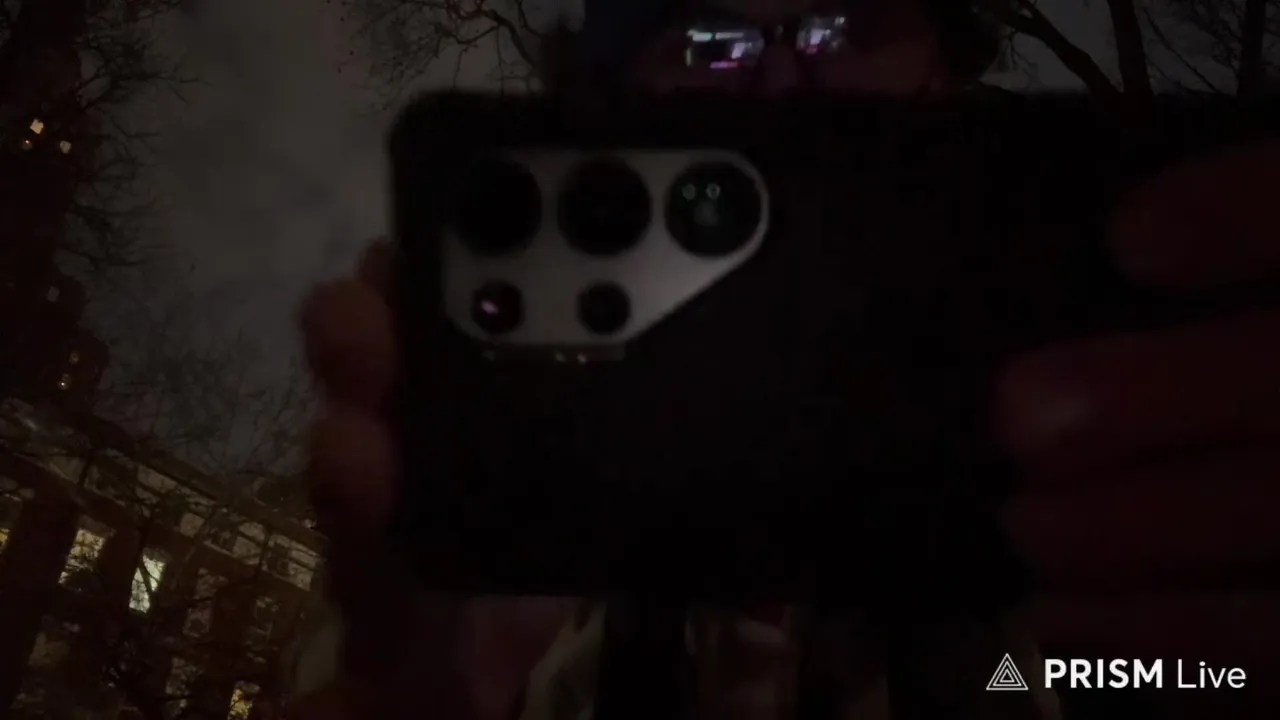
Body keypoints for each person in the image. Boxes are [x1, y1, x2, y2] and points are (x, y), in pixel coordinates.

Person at [293, 0, 1280, 718]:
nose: (780, 76)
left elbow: (1165, 674)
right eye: (706, 38)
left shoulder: (1104, 474)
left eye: (848, 24)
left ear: (948, 82)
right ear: (607, 103)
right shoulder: (497, 556)